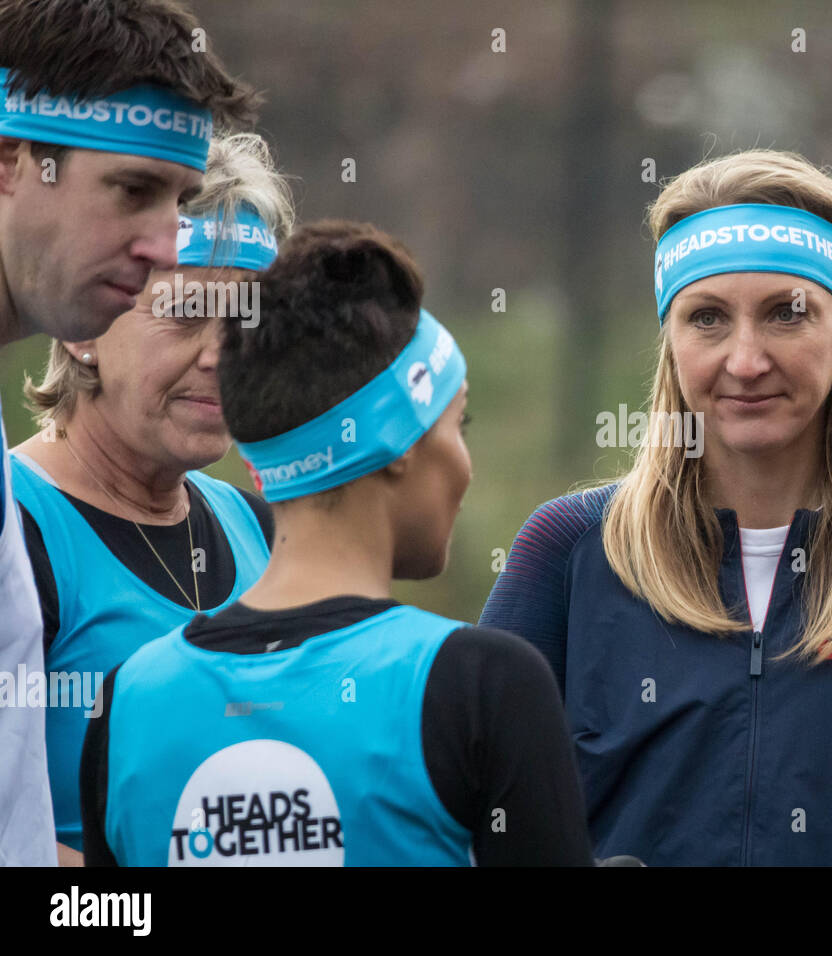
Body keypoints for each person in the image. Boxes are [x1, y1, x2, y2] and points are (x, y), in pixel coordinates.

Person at [481, 149, 832, 865]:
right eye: (707, 318)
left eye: (787, 313)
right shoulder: (568, 551)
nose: (746, 360)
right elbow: (480, 827)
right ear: (671, 343)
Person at [80, 221, 593, 866]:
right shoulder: (484, 685)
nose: (466, 464)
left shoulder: (128, 699)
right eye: (457, 423)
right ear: (399, 444)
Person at [0, 0, 256, 866]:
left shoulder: (254, 524)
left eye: (246, 319)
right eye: (187, 314)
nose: (223, 356)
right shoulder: (30, 522)